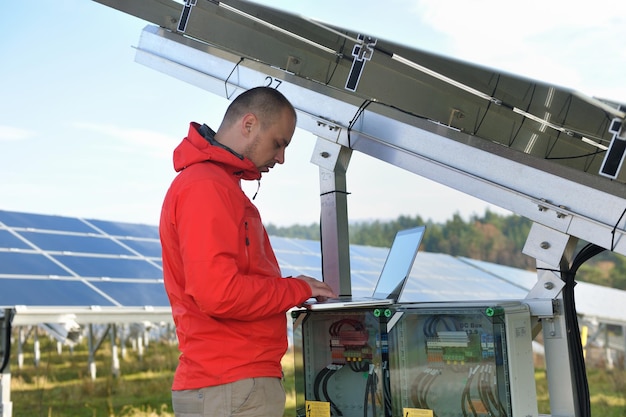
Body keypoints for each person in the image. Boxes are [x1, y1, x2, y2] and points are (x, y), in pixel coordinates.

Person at [159, 86, 336, 417]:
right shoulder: (207, 186)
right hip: (232, 386)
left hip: (231, 385)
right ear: (249, 124)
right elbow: (218, 293)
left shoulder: (217, 184)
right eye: (279, 143)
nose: (281, 157)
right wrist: (297, 288)